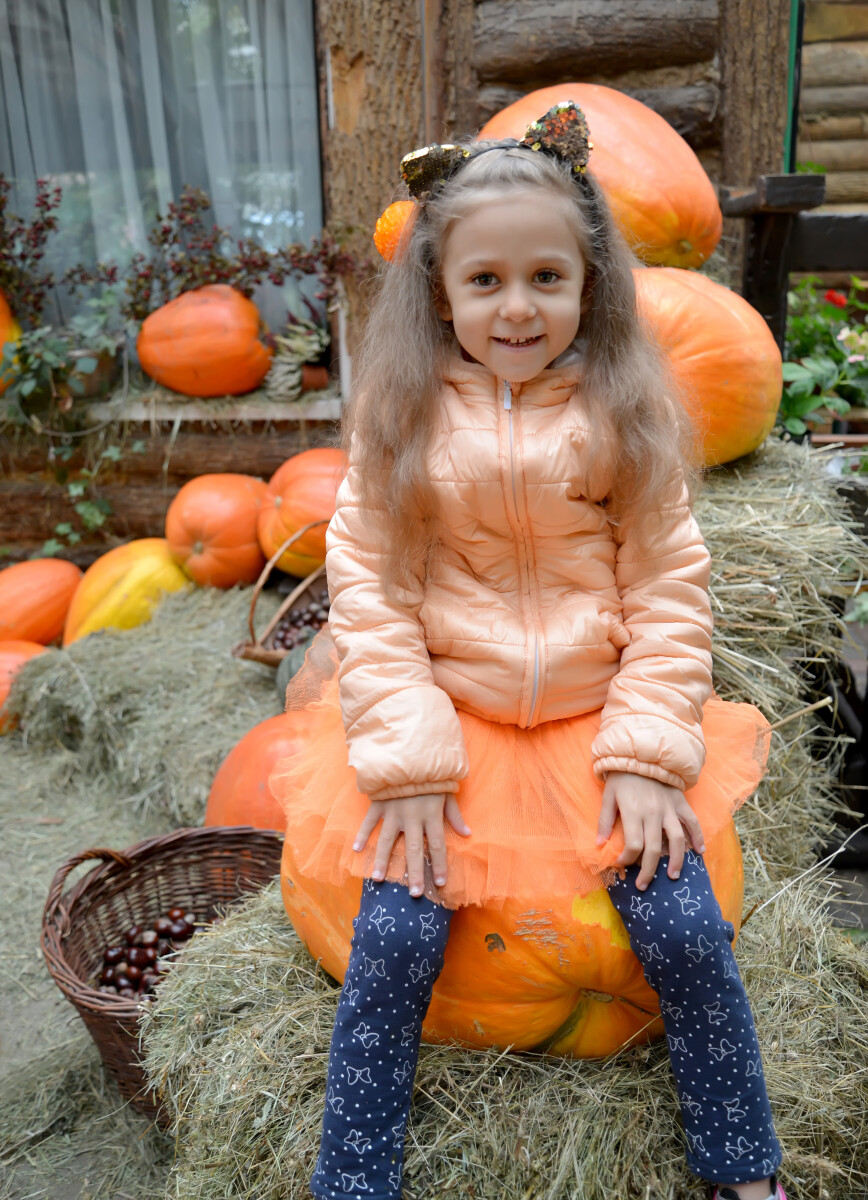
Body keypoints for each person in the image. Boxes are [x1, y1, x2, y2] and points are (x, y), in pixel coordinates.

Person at [271, 103, 785, 1200]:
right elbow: (368, 596)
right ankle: (351, 1179)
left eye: (547, 278)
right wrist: (407, 764)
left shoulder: (623, 414)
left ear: (591, 283)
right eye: (486, 281)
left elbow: (668, 592)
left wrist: (648, 755)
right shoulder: (399, 424)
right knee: (396, 939)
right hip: (450, 726)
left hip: (596, 726)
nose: (517, 307)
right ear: (439, 292)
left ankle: (742, 1167)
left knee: (685, 929)